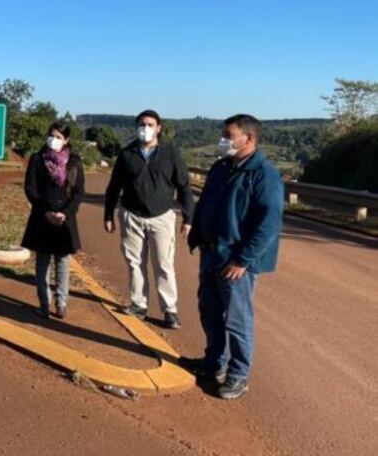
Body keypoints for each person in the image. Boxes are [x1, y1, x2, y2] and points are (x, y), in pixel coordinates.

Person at [187, 114, 283, 400]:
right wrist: (198, 237)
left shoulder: (264, 175)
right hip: (211, 253)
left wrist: (243, 260)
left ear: (249, 139)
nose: (223, 140)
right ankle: (214, 362)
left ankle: (238, 375)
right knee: (210, 311)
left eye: (229, 135)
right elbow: (206, 204)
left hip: (236, 261)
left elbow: (269, 223)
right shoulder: (221, 167)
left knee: (237, 320)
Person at [104, 109, 194, 329]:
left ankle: (169, 310)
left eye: (150, 125)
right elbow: (114, 187)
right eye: (142, 124)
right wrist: (108, 215)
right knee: (134, 263)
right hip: (131, 215)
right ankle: (138, 304)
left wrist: (188, 217)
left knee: (163, 264)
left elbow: (184, 186)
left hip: (161, 217)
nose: (146, 128)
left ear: (159, 128)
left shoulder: (170, 153)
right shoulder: (127, 154)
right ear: (137, 127)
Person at [21, 123, 85, 319]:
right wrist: (46, 211)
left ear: (66, 140)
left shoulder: (74, 162)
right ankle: (44, 302)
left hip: (65, 220)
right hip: (42, 217)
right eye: (51, 135)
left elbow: (78, 192)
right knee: (42, 260)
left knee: (63, 260)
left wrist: (66, 212)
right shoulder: (37, 159)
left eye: (58, 136)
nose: (53, 139)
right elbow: (30, 189)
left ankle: (61, 302)